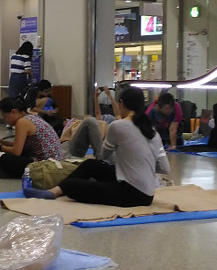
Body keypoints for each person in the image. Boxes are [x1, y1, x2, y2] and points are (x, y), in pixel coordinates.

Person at [24, 87, 170, 207]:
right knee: (90, 165)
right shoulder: (153, 131)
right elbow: (165, 168)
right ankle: (54, 191)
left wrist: (129, 163)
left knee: (74, 186)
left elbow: (103, 155)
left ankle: (57, 190)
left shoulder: (118, 126)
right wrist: (140, 165)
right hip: (148, 194)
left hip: (131, 195)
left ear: (121, 104)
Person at [0, 96, 63, 178]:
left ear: (13, 112)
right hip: (53, 161)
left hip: (45, 164)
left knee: (5, 159)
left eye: (5, 116)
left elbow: (16, 151)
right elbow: (19, 145)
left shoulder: (22, 122)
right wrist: (2, 142)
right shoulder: (30, 117)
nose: (5, 120)